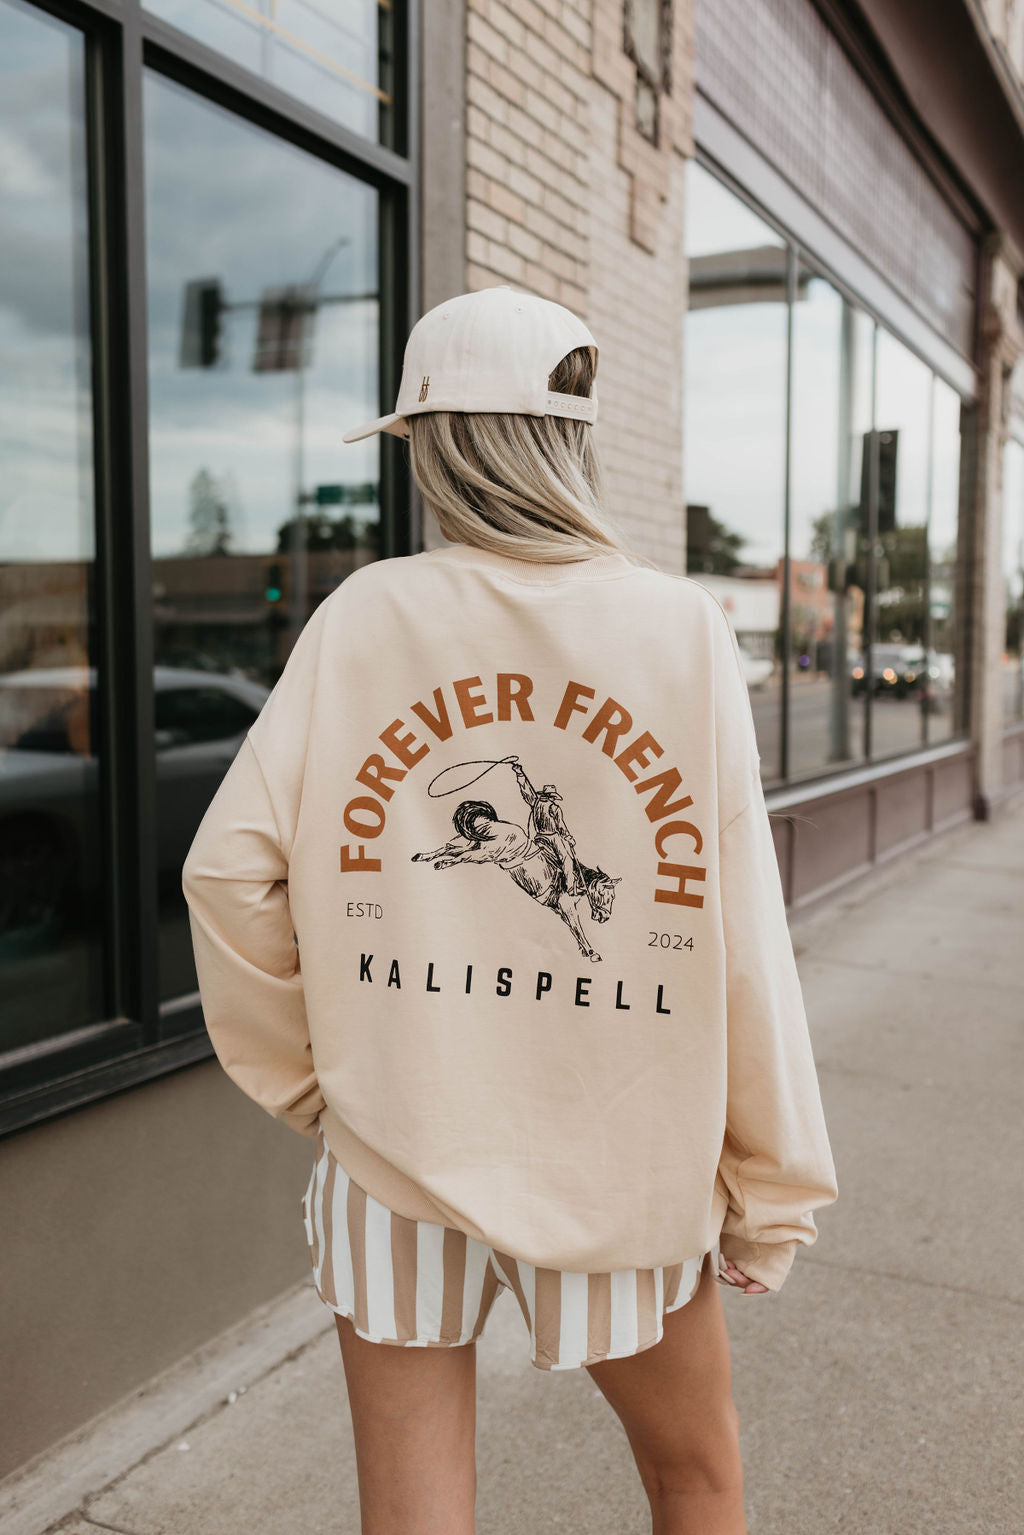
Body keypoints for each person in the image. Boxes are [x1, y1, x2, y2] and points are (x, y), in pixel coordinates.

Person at [181, 284, 838, 1535]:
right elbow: (737, 934)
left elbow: (226, 873)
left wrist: (315, 1078)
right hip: (621, 1153)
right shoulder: (682, 629)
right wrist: (771, 1186)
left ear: (432, 443)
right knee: (693, 1476)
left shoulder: (364, 613)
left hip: (393, 1146)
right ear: (570, 442)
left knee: (416, 1516)